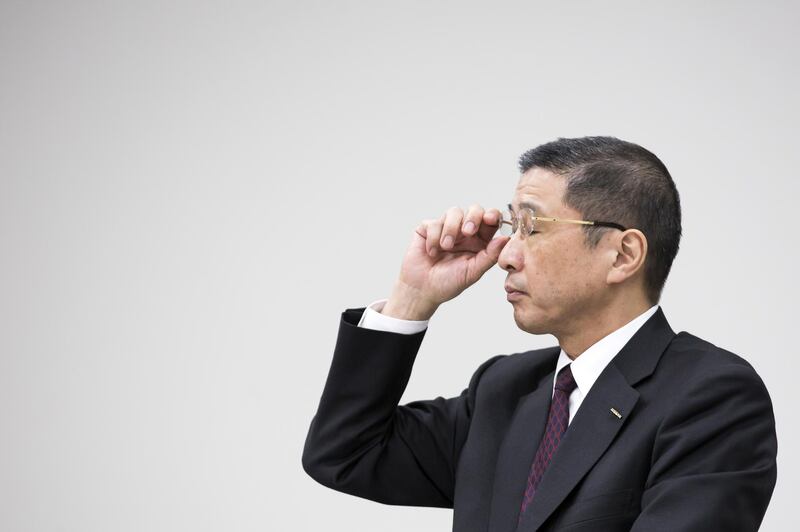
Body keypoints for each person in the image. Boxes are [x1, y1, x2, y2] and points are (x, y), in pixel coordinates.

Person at [301, 136, 777, 531]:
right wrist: (411, 296)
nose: (505, 254)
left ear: (623, 255)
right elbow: (345, 454)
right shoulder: (504, 391)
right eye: (512, 226)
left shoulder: (711, 398)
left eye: (531, 225)